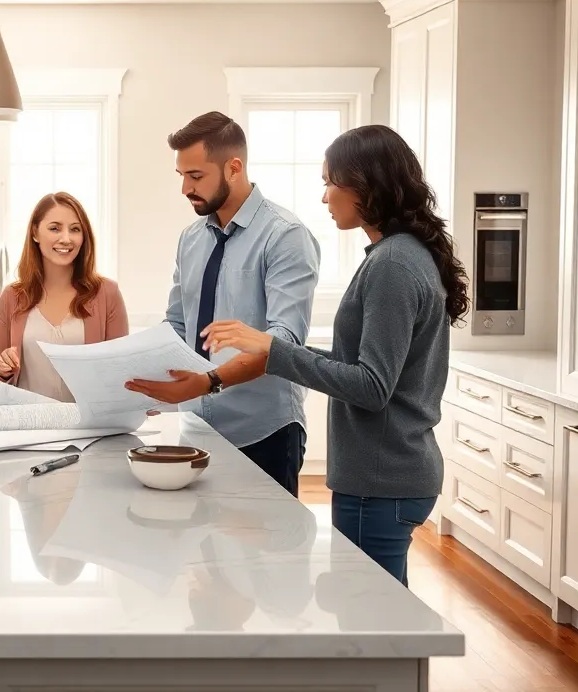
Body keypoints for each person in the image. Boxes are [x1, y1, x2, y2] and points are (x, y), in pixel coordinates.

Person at [199, 124, 470, 587]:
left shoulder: (392, 264)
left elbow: (371, 386)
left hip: (379, 480)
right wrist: (274, 348)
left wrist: (274, 349)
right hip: (391, 475)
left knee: (369, 616)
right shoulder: (399, 255)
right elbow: (361, 364)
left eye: (330, 182)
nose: (324, 197)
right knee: (382, 611)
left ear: (365, 184)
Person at [124, 111, 320, 497]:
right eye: (181, 175)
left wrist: (209, 381)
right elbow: (178, 324)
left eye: (196, 176)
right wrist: (134, 371)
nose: (185, 188)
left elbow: (284, 344)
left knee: (266, 538)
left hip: (264, 432)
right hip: (196, 429)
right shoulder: (190, 238)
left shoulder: (286, 236)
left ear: (233, 168)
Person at [0, 192, 129, 401]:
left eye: (75, 229)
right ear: (35, 233)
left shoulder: (107, 294)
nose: (66, 239)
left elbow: (121, 371)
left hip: (87, 420)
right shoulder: (12, 297)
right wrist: (0, 368)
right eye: (55, 228)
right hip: (28, 419)